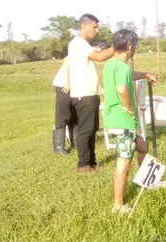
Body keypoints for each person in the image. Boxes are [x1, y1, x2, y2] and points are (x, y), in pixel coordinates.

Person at [102, 29, 158, 214]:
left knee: (142, 147)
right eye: (134, 46)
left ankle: (149, 182)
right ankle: (118, 205)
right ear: (129, 46)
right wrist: (129, 107)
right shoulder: (122, 67)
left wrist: (145, 74)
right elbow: (121, 88)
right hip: (123, 122)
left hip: (115, 120)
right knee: (123, 164)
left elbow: (128, 76)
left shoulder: (112, 65)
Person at [68, 13, 115, 172]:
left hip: (91, 93)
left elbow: (97, 52)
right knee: (86, 130)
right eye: (94, 26)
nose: (97, 30)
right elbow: (100, 57)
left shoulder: (83, 44)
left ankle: (91, 162)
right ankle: (83, 165)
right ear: (83, 26)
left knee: (92, 129)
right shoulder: (78, 43)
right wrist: (118, 46)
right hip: (84, 94)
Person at [51, 45, 77, 155]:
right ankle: (59, 148)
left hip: (73, 85)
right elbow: (66, 61)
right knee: (63, 115)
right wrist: (68, 81)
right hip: (63, 85)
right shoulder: (75, 49)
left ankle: (76, 144)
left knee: (75, 114)